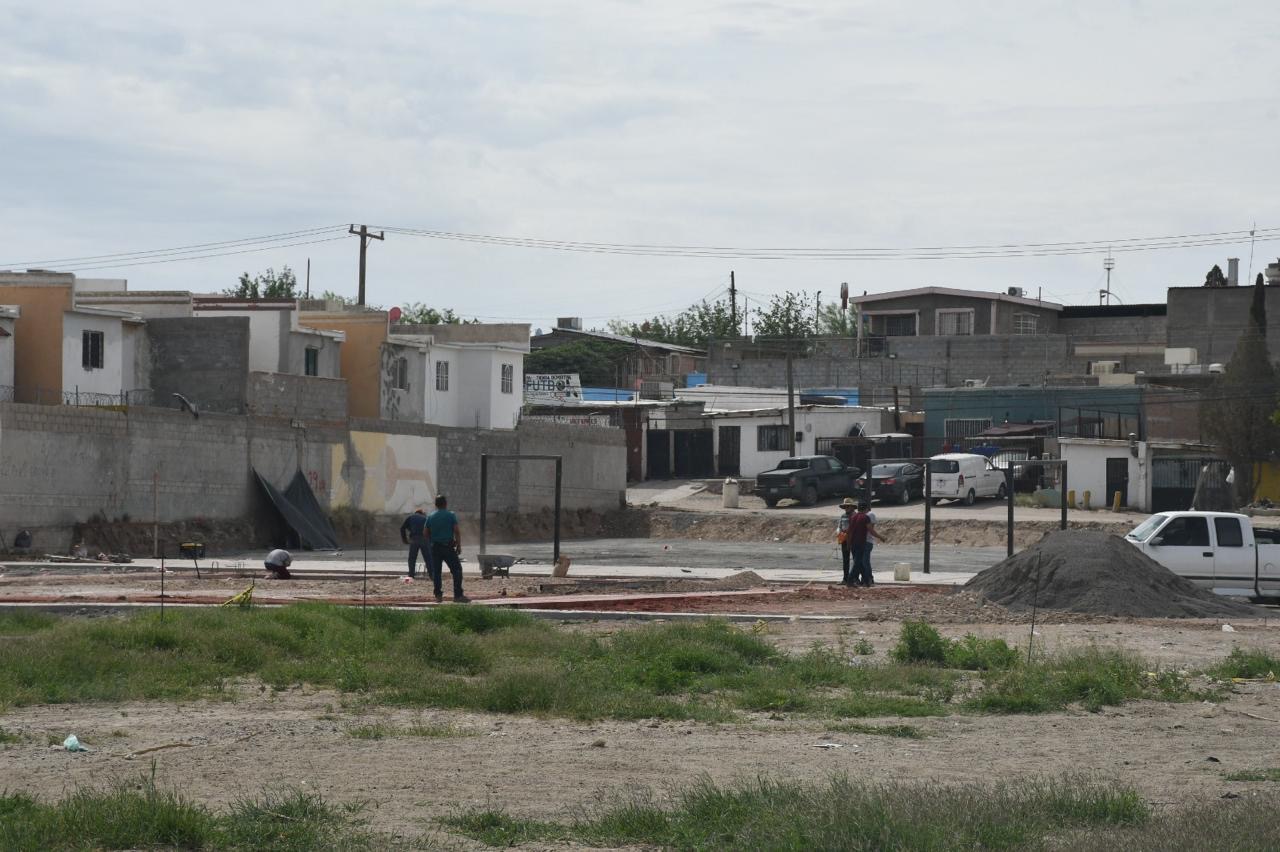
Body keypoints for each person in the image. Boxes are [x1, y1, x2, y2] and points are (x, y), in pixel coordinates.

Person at [425, 494, 469, 603]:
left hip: (435, 547)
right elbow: (456, 531)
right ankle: (458, 595)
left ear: (436, 504)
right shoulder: (451, 515)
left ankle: (438, 595)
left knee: (437, 572)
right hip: (448, 547)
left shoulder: (430, 516)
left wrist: (432, 541)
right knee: (457, 570)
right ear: (445, 504)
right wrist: (458, 545)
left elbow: (425, 533)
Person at [851, 502, 886, 587]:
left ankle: (868, 579)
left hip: (866, 541)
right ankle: (864, 579)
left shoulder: (869, 515)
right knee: (860, 562)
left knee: (864, 561)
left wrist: (880, 537)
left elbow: (870, 529)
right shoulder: (858, 516)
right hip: (860, 541)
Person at [400, 507, 429, 578]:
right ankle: (432, 574)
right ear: (422, 513)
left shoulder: (410, 517)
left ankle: (411, 574)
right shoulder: (425, 518)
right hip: (424, 539)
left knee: (412, 558)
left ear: (416, 513)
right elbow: (430, 529)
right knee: (428, 557)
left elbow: (402, 528)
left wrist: (405, 540)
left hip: (414, 539)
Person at [836, 498, 857, 584]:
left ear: (852, 507)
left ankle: (855, 578)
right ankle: (845, 578)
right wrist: (839, 533)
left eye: (848, 506)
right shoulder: (843, 516)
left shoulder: (855, 516)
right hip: (844, 539)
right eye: (845, 507)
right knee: (845, 560)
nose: (846, 508)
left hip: (853, 540)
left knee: (856, 560)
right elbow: (839, 526)